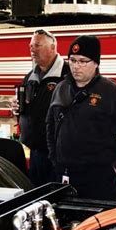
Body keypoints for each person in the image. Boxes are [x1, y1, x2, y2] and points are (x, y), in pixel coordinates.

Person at [46, 35, 116, 200]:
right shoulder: (60, 88)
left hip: (98, 179)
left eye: (83, 61)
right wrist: (54, 158)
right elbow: (50, 125)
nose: (76, 66)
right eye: (73, 60)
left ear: (96, 63)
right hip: (63, 176)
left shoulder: (113, 93)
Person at [12, 29, 70, 187]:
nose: (32, 49)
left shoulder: (68, 74)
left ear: (52, 48)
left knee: (57, 197)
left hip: (60, 154)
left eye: (37, 45)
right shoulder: (30, 77)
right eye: (31, 45)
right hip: (36, 151)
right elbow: (27, 108)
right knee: (36, 195)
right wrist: (18, 109)